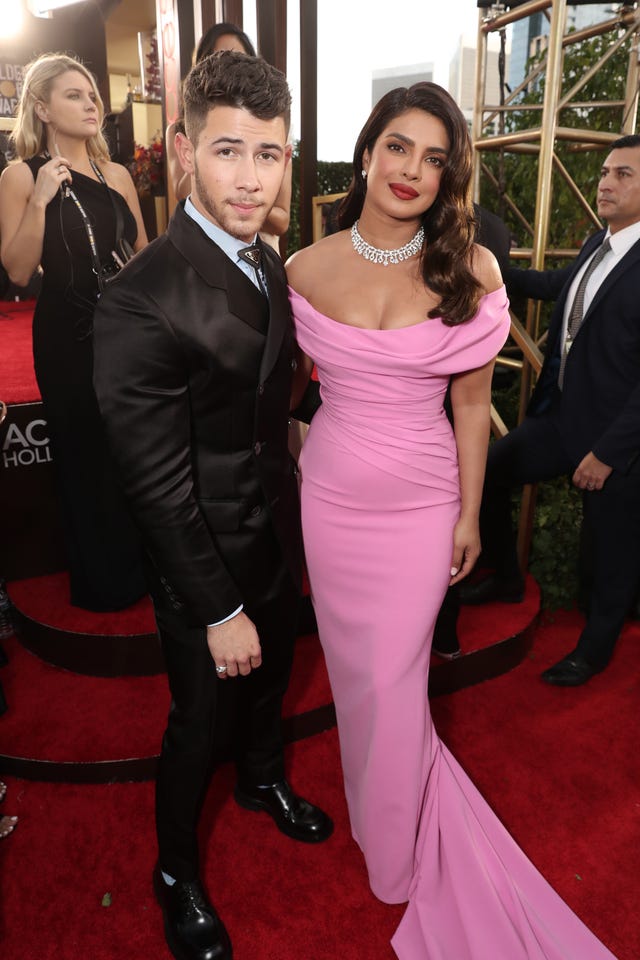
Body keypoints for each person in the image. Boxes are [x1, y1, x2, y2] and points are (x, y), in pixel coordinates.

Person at [286, 82, 618, 959]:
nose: (413, 171)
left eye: (435, 159)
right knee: (359, 683)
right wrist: (288, 436)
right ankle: (375, 806)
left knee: (396, 682)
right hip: (329, 500)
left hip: (422, 502)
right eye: (399, 147)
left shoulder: (466, 268)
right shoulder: (303, 268)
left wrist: (470, 514)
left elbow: (474, 407)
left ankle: (395, 855)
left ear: (447, 178)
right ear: (366, 152)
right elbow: (279, 386)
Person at [92, 51, 332, 960]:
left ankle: (263, 780)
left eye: (269, 156)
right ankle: (174, 872)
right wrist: (220, 607)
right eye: (230, 152)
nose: (251, 177)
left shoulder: (266, 258)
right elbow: (154, 486)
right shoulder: (138, 300)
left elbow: (270, 402)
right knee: (198, 723)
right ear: (185, 149)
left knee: (273, 687)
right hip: (200, 563)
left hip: (275, 527)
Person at [459, 134, 640, 688]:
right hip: (559, 419)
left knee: (611, 554)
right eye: (606, 171)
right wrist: (486, 267)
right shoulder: (598, 245)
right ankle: (508, 579)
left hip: (614, 442)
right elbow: (556, 286)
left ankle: (593, 649)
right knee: (485, 473)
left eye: (623, 175)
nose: (605, 182)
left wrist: (608, 454)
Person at [0, 53, 148, 611]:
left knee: (133, 452)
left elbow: (141, 261)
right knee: (85, 454)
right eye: (73, 95)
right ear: (41, 107)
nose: (91, 103)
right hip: (66, 336)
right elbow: (17, 270)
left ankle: (147, 564)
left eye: (92, 95)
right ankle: (104, 583)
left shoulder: (118, 176)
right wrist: (40, 198)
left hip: (127, 336)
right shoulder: (19, 176)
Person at [165, 22, 292, 252]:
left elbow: (282, 220)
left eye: (265, 155)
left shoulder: (275, 133)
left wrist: (247, 204)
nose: (230, 68)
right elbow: (184, 193)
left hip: (262, 246)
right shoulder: (180, 132)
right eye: (226, 152)